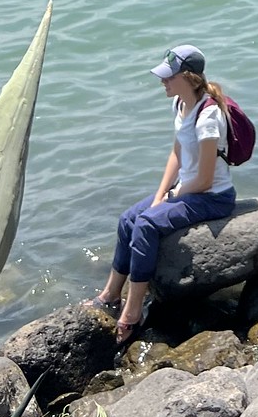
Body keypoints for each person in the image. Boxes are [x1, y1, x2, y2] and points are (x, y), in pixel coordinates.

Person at [97, 43, 236, 347]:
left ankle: (132, 313)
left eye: (169, 76)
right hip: (187, 190)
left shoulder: (208, 116)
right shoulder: (180, 105)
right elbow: (177, 153)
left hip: (213, 197)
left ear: (189, 78)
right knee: (128, 220)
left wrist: (173, 194)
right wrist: (161, 194)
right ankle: (110, 295)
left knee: (146, 225)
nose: (162, 81)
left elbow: (205, 179)